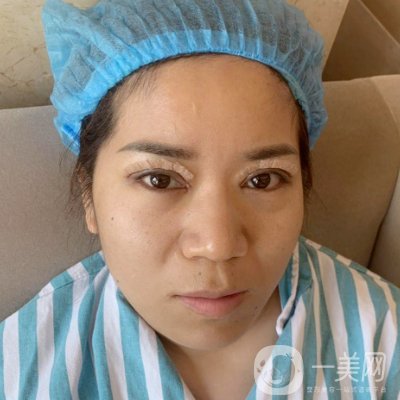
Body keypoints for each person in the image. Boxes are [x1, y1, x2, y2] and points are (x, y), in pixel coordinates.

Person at [0, 0, 399, 398]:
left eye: (262, 179)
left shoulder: (384, 334)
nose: (218, 246)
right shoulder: (21, 370)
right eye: (159, 179)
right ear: (89, 193)